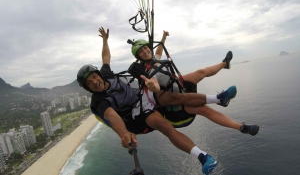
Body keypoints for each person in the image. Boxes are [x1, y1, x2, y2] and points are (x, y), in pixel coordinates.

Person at [77, 27, 240, 174]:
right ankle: (202, 156)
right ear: (88, 88)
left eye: (93, 77)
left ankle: (219, 93)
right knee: (164, 125)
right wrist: (124, 134)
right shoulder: (99, 101)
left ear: (98, 74)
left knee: (181, 94)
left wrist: (105, 40)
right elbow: (112, 116)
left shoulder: (106, 74)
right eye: (89, 84)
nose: (94, 82)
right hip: (136, 113)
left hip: (143, 95)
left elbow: (106, 57)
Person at [129, 30, 259, 136]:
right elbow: (155, 84)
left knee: (200, 72)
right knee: (204, 110)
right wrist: (153, 87)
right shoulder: (147, 71)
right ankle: (241, 127)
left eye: (146, 48)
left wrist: (163, 37)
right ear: (139, 57)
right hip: (173, 100)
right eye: (141, 52)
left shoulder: (154, 59)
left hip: (177, 83)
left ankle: (225, 64)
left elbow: (158, 50)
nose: (145, 51)